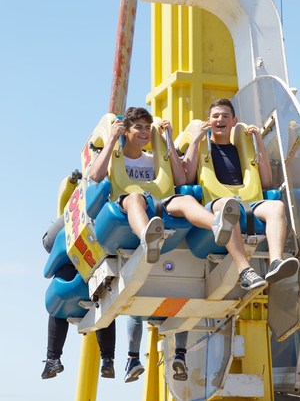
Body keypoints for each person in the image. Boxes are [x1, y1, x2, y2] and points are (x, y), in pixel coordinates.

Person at [89, 106, 242, 383]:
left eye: (148, 128)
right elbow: (96, 176)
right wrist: (112, 139)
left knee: (185, 200)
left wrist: (168, 141)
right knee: (135, 196)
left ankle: (217, 224)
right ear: (127, 131)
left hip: (160, 204)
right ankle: (148, 235)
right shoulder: (117, 156)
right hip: (130, 205)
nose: (145, 133)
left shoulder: (154, 157)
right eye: (139, 128)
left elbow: (181, 180)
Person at [182, 98, 299, 290]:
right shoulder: (201, 146)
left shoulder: (242, 149)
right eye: (215, 116)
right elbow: (186, 179)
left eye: (225, 116)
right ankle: (245, 270)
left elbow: (267, 182)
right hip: (215, 204)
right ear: (208, 121)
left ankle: (275, 262)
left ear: (234, 121)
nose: (220, 119)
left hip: (247, 203)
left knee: (277, 206)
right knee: (229, 205)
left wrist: (259, 142)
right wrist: (195, 139)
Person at [41, 216, 116, 379]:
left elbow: (48, 243)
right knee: (106, 301)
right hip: (100, 274)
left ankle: (52, 358)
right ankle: (108, 360)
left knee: (57, 298)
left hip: (73, 277)